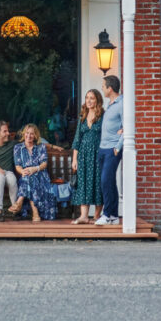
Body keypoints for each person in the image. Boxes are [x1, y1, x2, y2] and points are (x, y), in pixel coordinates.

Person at [10, 123, 58, 222]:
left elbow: (44, 164)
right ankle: (35, 213)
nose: (29, 136)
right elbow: (18, 166)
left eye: (32, 133)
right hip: (25, 175)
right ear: (23, 134)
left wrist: (34, 169)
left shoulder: (41, 147)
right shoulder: (18, 148)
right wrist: (22, 171)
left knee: (29, 177)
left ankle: (19, 202)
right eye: (27, 133)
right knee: (28, 177)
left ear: (36, 135)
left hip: (41, 176)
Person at [71, 89, 103, 224]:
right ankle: (84, 216)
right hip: (83, 155)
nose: (88, 101)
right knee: (83, 183)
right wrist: (74, 159)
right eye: (87, 98)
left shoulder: (103, 115)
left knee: (97, 182)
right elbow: (77, 139)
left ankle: (97, 215)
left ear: (97, 100)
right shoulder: (82, 116)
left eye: (92, 98)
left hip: (98, 153)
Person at [95, 74, 123, 226]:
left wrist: (118, 147)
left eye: (103, 86)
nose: (102, 88)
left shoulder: (122, 104)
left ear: (110, 88)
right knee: (109, 182)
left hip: (113, 149)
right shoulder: (111, 104)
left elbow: (128, 127)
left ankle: (107, 214)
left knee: (106, 180)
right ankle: (113, 215)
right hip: (103, 148)